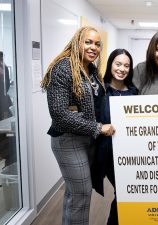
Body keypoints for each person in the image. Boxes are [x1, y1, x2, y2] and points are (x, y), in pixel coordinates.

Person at [41, 26, 115, 225]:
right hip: (68, 140)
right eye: (88, 42)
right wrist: (97, 127)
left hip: (87, 139)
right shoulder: (63, 67)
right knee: (81, 195)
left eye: (97, 44)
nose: (93, 47)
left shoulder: (91, 70)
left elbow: (95, 103)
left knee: (74, 194)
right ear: (77, 42)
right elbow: (60, 115)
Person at [93, 49, 138, 225]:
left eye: (126, 65)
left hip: (131, 155)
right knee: (124, 192)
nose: (122, 69)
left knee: (127, 193)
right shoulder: (100, 91)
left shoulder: (134, 92)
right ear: (111, 64)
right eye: (118, 64)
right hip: (108, 154)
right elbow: (92, 122)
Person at [0, 48, 12, 161]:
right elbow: (7, 86)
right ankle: (0, 151)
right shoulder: (3, 66)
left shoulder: (0, 68)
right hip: (3, 102)